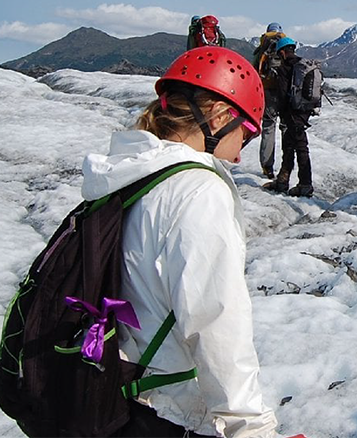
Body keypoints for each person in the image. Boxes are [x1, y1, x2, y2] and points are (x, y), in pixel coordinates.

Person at [81, 46, 286, 438]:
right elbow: (214, 319)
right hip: (166, 412)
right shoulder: (197, 191)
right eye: (245, 132)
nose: (241, 153)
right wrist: (251, 428)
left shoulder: (129, 174)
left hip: (112, 390)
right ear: (220, 116)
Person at [261, 37, 317, 197]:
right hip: (303, 112)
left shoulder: (285, 67)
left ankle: (304, 185)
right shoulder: (302, 64)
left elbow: (283, 93)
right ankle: (283, 180)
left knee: (298, 147)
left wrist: (280, 111)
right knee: (291, 145)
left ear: (282, 52)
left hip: (291, 114)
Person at [251, 22, 288, 179]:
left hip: (267, 91)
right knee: (286, 129)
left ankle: (267, 167)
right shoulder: (286, 44)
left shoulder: (263, 46)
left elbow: (254, 71)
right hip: (284, 92)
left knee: (268, 128)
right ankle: (287, 166)